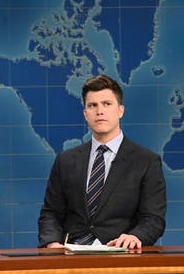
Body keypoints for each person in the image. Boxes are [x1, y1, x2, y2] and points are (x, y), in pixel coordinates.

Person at [38, 74, 166, 249]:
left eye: (107, 104)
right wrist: (52, 244)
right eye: (92, 105)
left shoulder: (146, 161)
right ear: (85, 114)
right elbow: (51, 213)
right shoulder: (66, 160)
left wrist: (135, 237)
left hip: (120, 255)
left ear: (120, 110)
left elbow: (153, 218)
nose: (100, 111)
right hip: (70, 257)